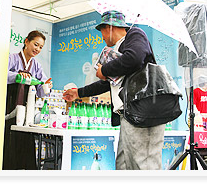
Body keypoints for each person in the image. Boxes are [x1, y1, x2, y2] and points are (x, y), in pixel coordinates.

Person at [63, 10, 166, 170]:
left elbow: (135, 58)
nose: (102, 37)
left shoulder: (135, 34)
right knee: (123, 166)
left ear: (109, 28)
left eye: (102, 31)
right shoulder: (120, 52)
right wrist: (79, 93)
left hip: (144, 112)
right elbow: (107, 84)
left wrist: (104, 70)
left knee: (143, 167)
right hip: (128, 115)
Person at [3, 30, 52, 170]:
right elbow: (0, 73)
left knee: (25, 142)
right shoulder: (12, 58)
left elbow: (41, 91)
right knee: (9, 142)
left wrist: (46, 86)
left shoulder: (36, 66)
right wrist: (18, 75)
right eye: (35, 44)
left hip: (27, 112)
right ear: (26, 41)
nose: (37, 49)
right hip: (9, 106)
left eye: (41, 47)